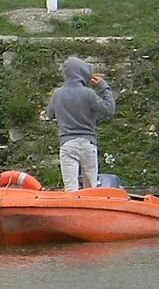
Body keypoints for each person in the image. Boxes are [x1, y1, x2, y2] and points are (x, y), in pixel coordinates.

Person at [45, 55, 117, 190]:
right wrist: (104, 87)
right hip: (88, 144)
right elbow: (109, 109)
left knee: (70, 188)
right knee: (91, 189)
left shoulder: (57, 94)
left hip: (67, 144)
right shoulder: (88, 94)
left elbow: (49, 114)